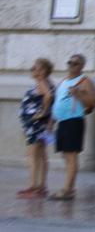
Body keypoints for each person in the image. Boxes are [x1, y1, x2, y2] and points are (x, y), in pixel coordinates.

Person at [48, 54, 95, 202]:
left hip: (74, 121)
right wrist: (52, 120)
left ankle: (67, 190)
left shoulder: (85, 81)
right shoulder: (64, 81)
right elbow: (57, 101)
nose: (71, 65)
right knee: (65, 155)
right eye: (70, 62)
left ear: (82, 66)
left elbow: (94, 100)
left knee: (71, 156)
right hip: (62, 121)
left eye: (75, 63)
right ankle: (69, 187)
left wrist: (79, 95)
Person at [17, 58, 55, 198]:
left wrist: (42, 111)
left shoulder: (42, 82)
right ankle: (41, 186)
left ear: (43, 71)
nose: (34, 70)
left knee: (32, 155)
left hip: (36, 125)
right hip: (41, 124)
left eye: (37, 68)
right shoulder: (49, 83)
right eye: (33, 68)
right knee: (42, 155)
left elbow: (49, 96)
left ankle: (33, 186)